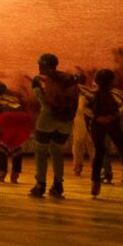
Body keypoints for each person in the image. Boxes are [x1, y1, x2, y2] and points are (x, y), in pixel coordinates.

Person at [82, 68, 123, 199]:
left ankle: (95, 184)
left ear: (96, 80)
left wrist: (97, 118)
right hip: (113, 123)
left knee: (99, 153)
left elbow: (85, 108)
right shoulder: (118, 93)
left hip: (98, 124)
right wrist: (113, 116)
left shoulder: (91, 93)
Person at [27, 54, 80, 199]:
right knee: (57, 152)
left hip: (47, 118)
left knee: (41, 152)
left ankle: (40, 185)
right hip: (66, 121)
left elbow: (42, 101)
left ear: (41, 65)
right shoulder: (69, 78)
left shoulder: (38, 79)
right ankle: (58, 185)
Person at [0, 91, 34, 185]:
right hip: (24, 119)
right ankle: (15, 174)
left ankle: (2, 172)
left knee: (1, 147)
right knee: (16, 146)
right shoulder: (13, 99)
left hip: (6, 118)